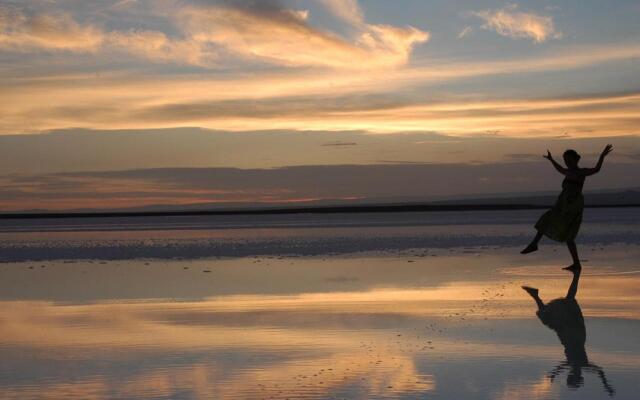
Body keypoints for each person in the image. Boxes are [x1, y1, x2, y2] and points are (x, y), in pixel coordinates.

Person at [522, 269, 615, 396]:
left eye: (570, 376)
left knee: (550, 315)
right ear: (577, 376)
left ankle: (536, 295)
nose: (571, 373)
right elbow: (599, 371)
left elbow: (564, 365)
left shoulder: (574, 364)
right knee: (566, 303)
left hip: (568, 336)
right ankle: (575, 274)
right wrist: (606, 385)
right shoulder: (583, 364)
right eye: (572, 376)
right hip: (575, 335)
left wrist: (555, 373)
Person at [521, 144, 613, 270]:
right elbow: (559, 168)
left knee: (569, 234)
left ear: (576, 160)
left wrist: (602, 156)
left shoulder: (581, 172)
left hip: (573, 205)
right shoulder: (567, 172)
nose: (567, 162)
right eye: (565, 160)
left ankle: (575, 263)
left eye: (569, 160)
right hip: (562, 203)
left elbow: (596, 169)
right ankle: (536, 245)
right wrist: (551, 159)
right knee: (546, 219)